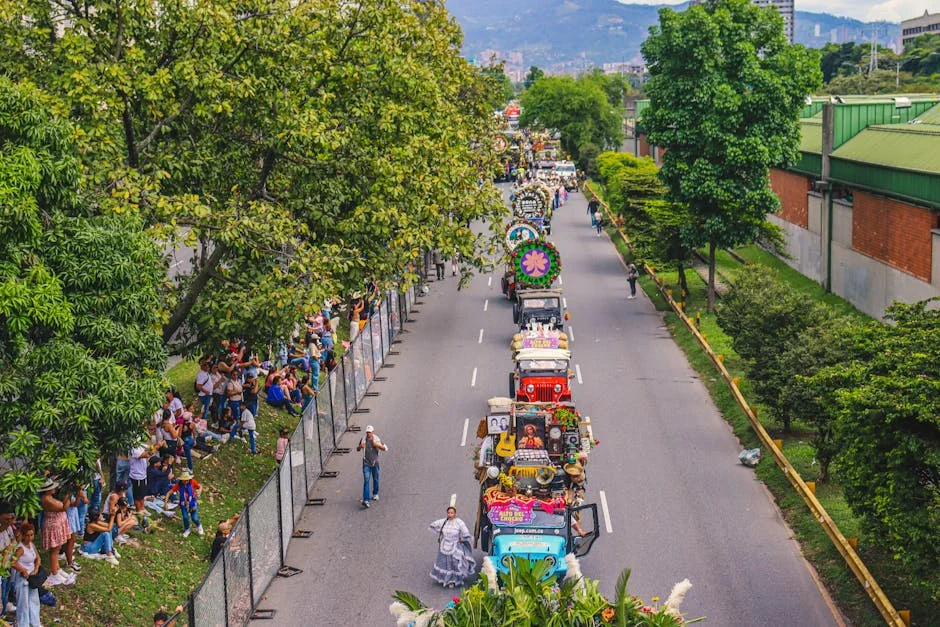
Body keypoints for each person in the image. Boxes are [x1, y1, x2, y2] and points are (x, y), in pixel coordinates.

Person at [428, 507, 476, 588]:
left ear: (455, 514)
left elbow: (466, 533)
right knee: (444, 563)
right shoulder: (444, 521)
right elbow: (433, 525)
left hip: (455, 546)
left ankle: (453, 580)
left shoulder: (459, 522)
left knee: (455, 563)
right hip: (444, 545)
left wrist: (462, 539)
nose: (450, 514)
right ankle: (446, 579)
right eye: (448, 513)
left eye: (452, 513)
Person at [39, 479, 75, 586]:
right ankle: (54, 573)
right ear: (47, 490)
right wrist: (69, 494)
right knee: (54, 550)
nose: (54, 488)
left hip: (57, 523)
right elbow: (64, 507)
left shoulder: (49, 497)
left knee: (57, 548)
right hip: (53, 525)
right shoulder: (46, 499)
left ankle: (57, 569)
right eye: (52, 487)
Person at [10, 521, 41, 627]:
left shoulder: (31, 545)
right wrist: (23, 570)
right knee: (23, 602)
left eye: (31, 535)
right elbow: (12, 562)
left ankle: (35, 622)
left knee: (34, 599)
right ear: (23, 535)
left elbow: (38, 558)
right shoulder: (20, 548)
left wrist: (36, 568)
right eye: (27, 535)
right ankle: (23, 624)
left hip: (32, 576)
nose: (30, 538)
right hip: (22, 578)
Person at [356, 426, 387, 508]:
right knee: (366, 480)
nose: (368, 434)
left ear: (373, 432)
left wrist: (377, 445)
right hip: (366, 463)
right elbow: (357, 449)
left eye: (370, 432)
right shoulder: (363, 439)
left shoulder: (377, 439)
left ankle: (375, 494)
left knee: (375, 479)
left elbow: (385, 448)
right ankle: (366, 500)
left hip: (375, 463)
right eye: (367, 432)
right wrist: (360, 447)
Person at [167, 470, 203, 537]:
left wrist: (199, 491)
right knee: (185, 517)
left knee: (194, 518)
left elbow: (200, 486)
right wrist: (165, 503)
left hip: (192, 503)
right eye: (184, 480)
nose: (186, 481)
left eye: (187, 480)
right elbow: (169, 493)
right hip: (183, 504)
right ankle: (187, 529)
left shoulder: (192, 482)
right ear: (182, 480)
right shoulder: (178, 485)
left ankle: (199, 525)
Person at [0, 502, 17, 616]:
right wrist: (10, 547)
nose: (9, 522)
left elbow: (14, 541)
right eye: (6, 519)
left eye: (10, 519)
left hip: (8, 566)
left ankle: (4, 612)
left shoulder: (8, 528)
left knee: (6, 590)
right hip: (2, 569)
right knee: (2, 593)